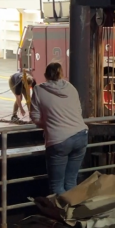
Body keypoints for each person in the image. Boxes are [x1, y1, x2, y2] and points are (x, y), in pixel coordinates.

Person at [30, 62, 89, 195]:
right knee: (71, 181)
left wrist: (49, 124)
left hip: (59, 141)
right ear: (61, 74)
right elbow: (78, 110)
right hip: (80, 135)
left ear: (45, 75)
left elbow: (35, 116)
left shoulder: (38, 90)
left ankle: (61, 214)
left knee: (57, 185)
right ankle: (72, 212)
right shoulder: (71, 87)